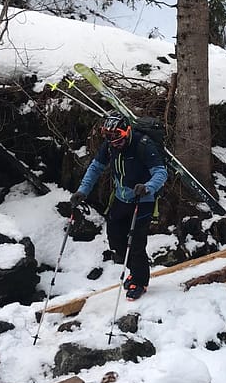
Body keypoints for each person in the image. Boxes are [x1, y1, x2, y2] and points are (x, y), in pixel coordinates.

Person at [71, 113, 167, 301]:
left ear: (127, 132)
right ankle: (135, 271)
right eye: (111, 139)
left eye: (119, 139)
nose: (115, 144)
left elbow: (160, 172)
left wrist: (148, 187)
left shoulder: (143, 145)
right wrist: (82, 191)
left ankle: (140, 281)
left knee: (136, 244)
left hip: (142, 199)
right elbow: (95, 168)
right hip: (121, 198)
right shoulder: (109, 145)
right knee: (115, 239)